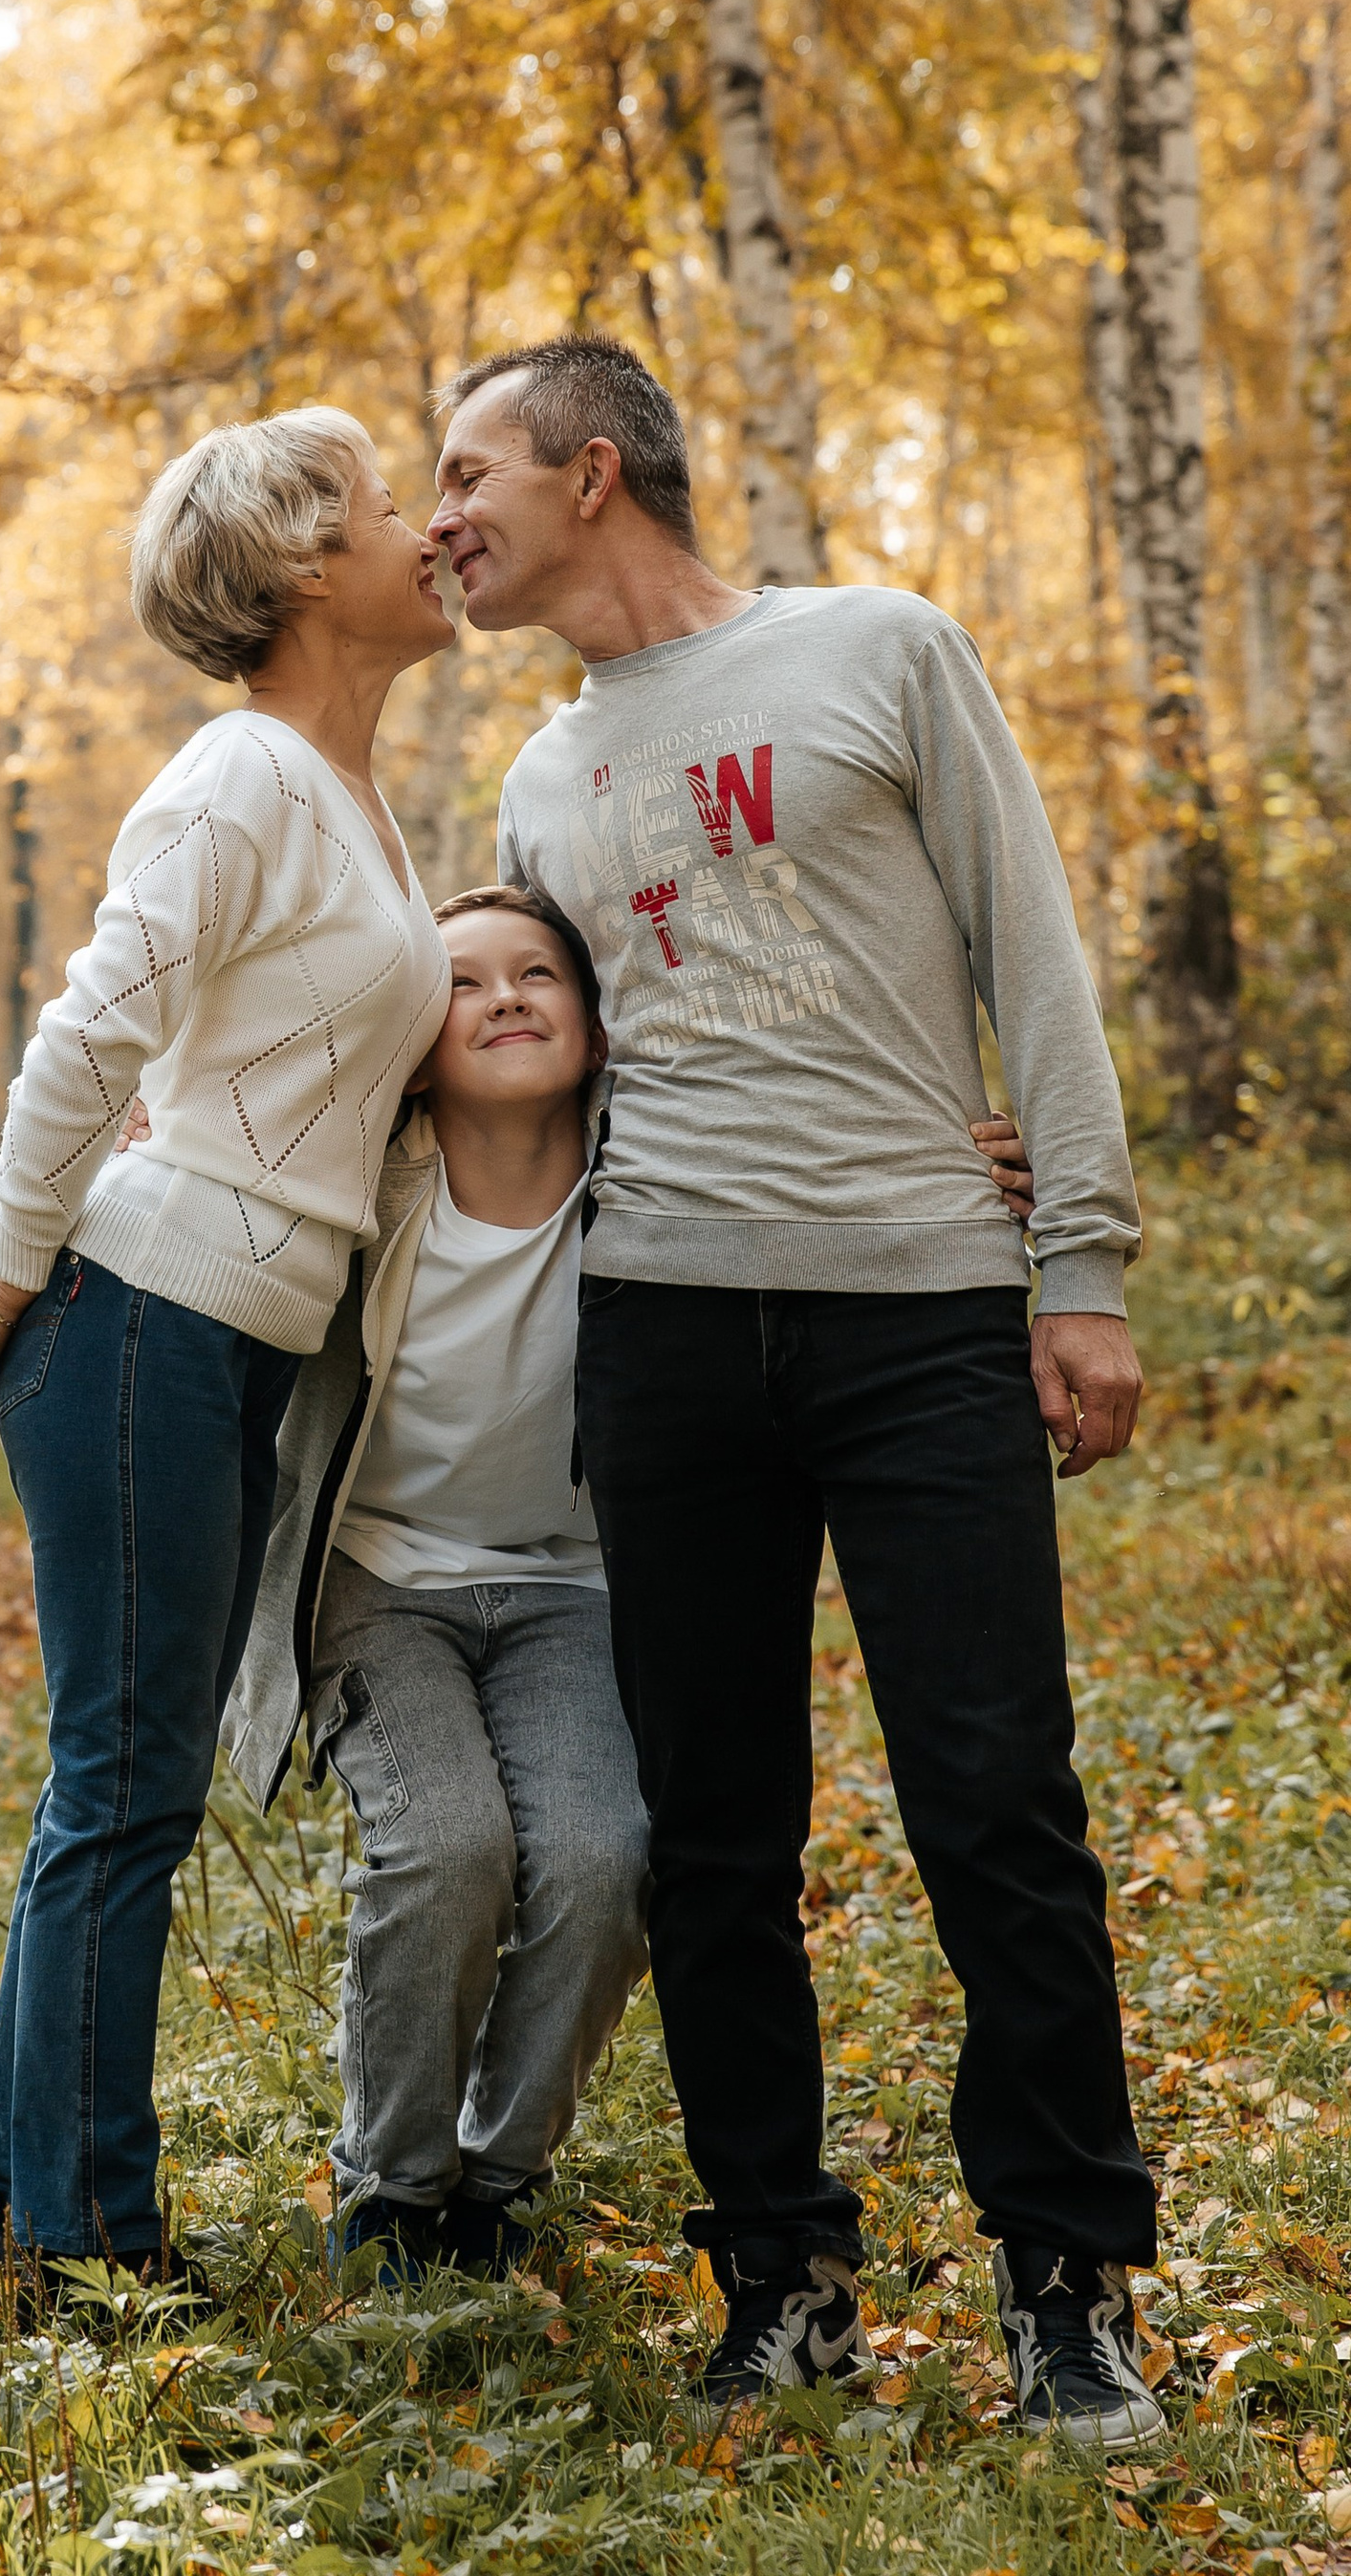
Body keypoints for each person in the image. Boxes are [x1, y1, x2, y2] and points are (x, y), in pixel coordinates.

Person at [426, 330, 1165, 2454]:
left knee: (993, 1802)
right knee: (713, 1840)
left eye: (464, 469)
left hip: (914, 1308)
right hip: (656, 1329)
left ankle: (1062, 2286)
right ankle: (780, 2277)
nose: (439, 514)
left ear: (589, 472)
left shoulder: (876, 647)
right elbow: (535, 1063)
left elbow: (1026, 948)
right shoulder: (538, 778)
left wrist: (1076, 1257)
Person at [222, 885, 1035, 2291]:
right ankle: (393, 2186)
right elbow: (220, 1179)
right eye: (464, 982)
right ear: (413, 1042)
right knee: (450, 1847)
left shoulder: (653, 1174)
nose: (508, 996)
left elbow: (813, 1153)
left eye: (542, 971)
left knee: (606, 1861)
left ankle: (499, 2176)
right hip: (378, 1580)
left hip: (573, 1587)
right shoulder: (361, 1177)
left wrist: (956, 1158)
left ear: (600, 1028)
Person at [0, 407, 456, 2294]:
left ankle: (47, 2216)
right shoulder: (238, 775)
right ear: (304, 564)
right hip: (133, 1318)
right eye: (387, 507)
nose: (422, 531)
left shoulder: (349, 800)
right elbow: (84, 1038)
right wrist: (6, 1269)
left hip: (226, 1337)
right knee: (121, 1784)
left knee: (123, 1786)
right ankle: (71, 2239)